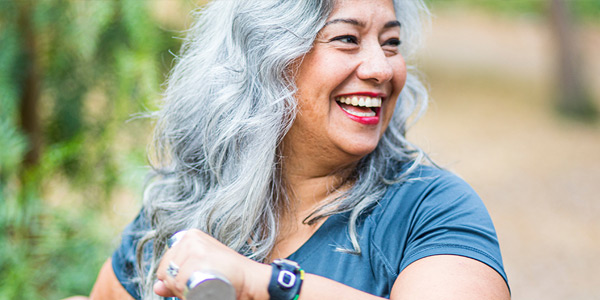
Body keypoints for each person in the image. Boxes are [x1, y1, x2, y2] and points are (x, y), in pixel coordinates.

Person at [87, 0, 511, 299]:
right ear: (267, 56)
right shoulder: (188, 200)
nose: (382, 68)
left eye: (391, 42)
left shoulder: (432, 209)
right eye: (347, 38)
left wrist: (261, 283)